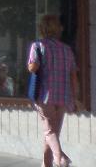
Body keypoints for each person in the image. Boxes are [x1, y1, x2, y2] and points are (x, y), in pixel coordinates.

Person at [28, 14, 82, 167]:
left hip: (45, 96)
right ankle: (47, 164)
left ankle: (61, 159)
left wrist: (31, 65)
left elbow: (33, 67)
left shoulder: (38, 46)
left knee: (49, 132)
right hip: (63, 97)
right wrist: (75, 98)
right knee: (53, 135)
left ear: (42, 28)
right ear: (58, 29)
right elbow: (73, 76)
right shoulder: (67, 49)